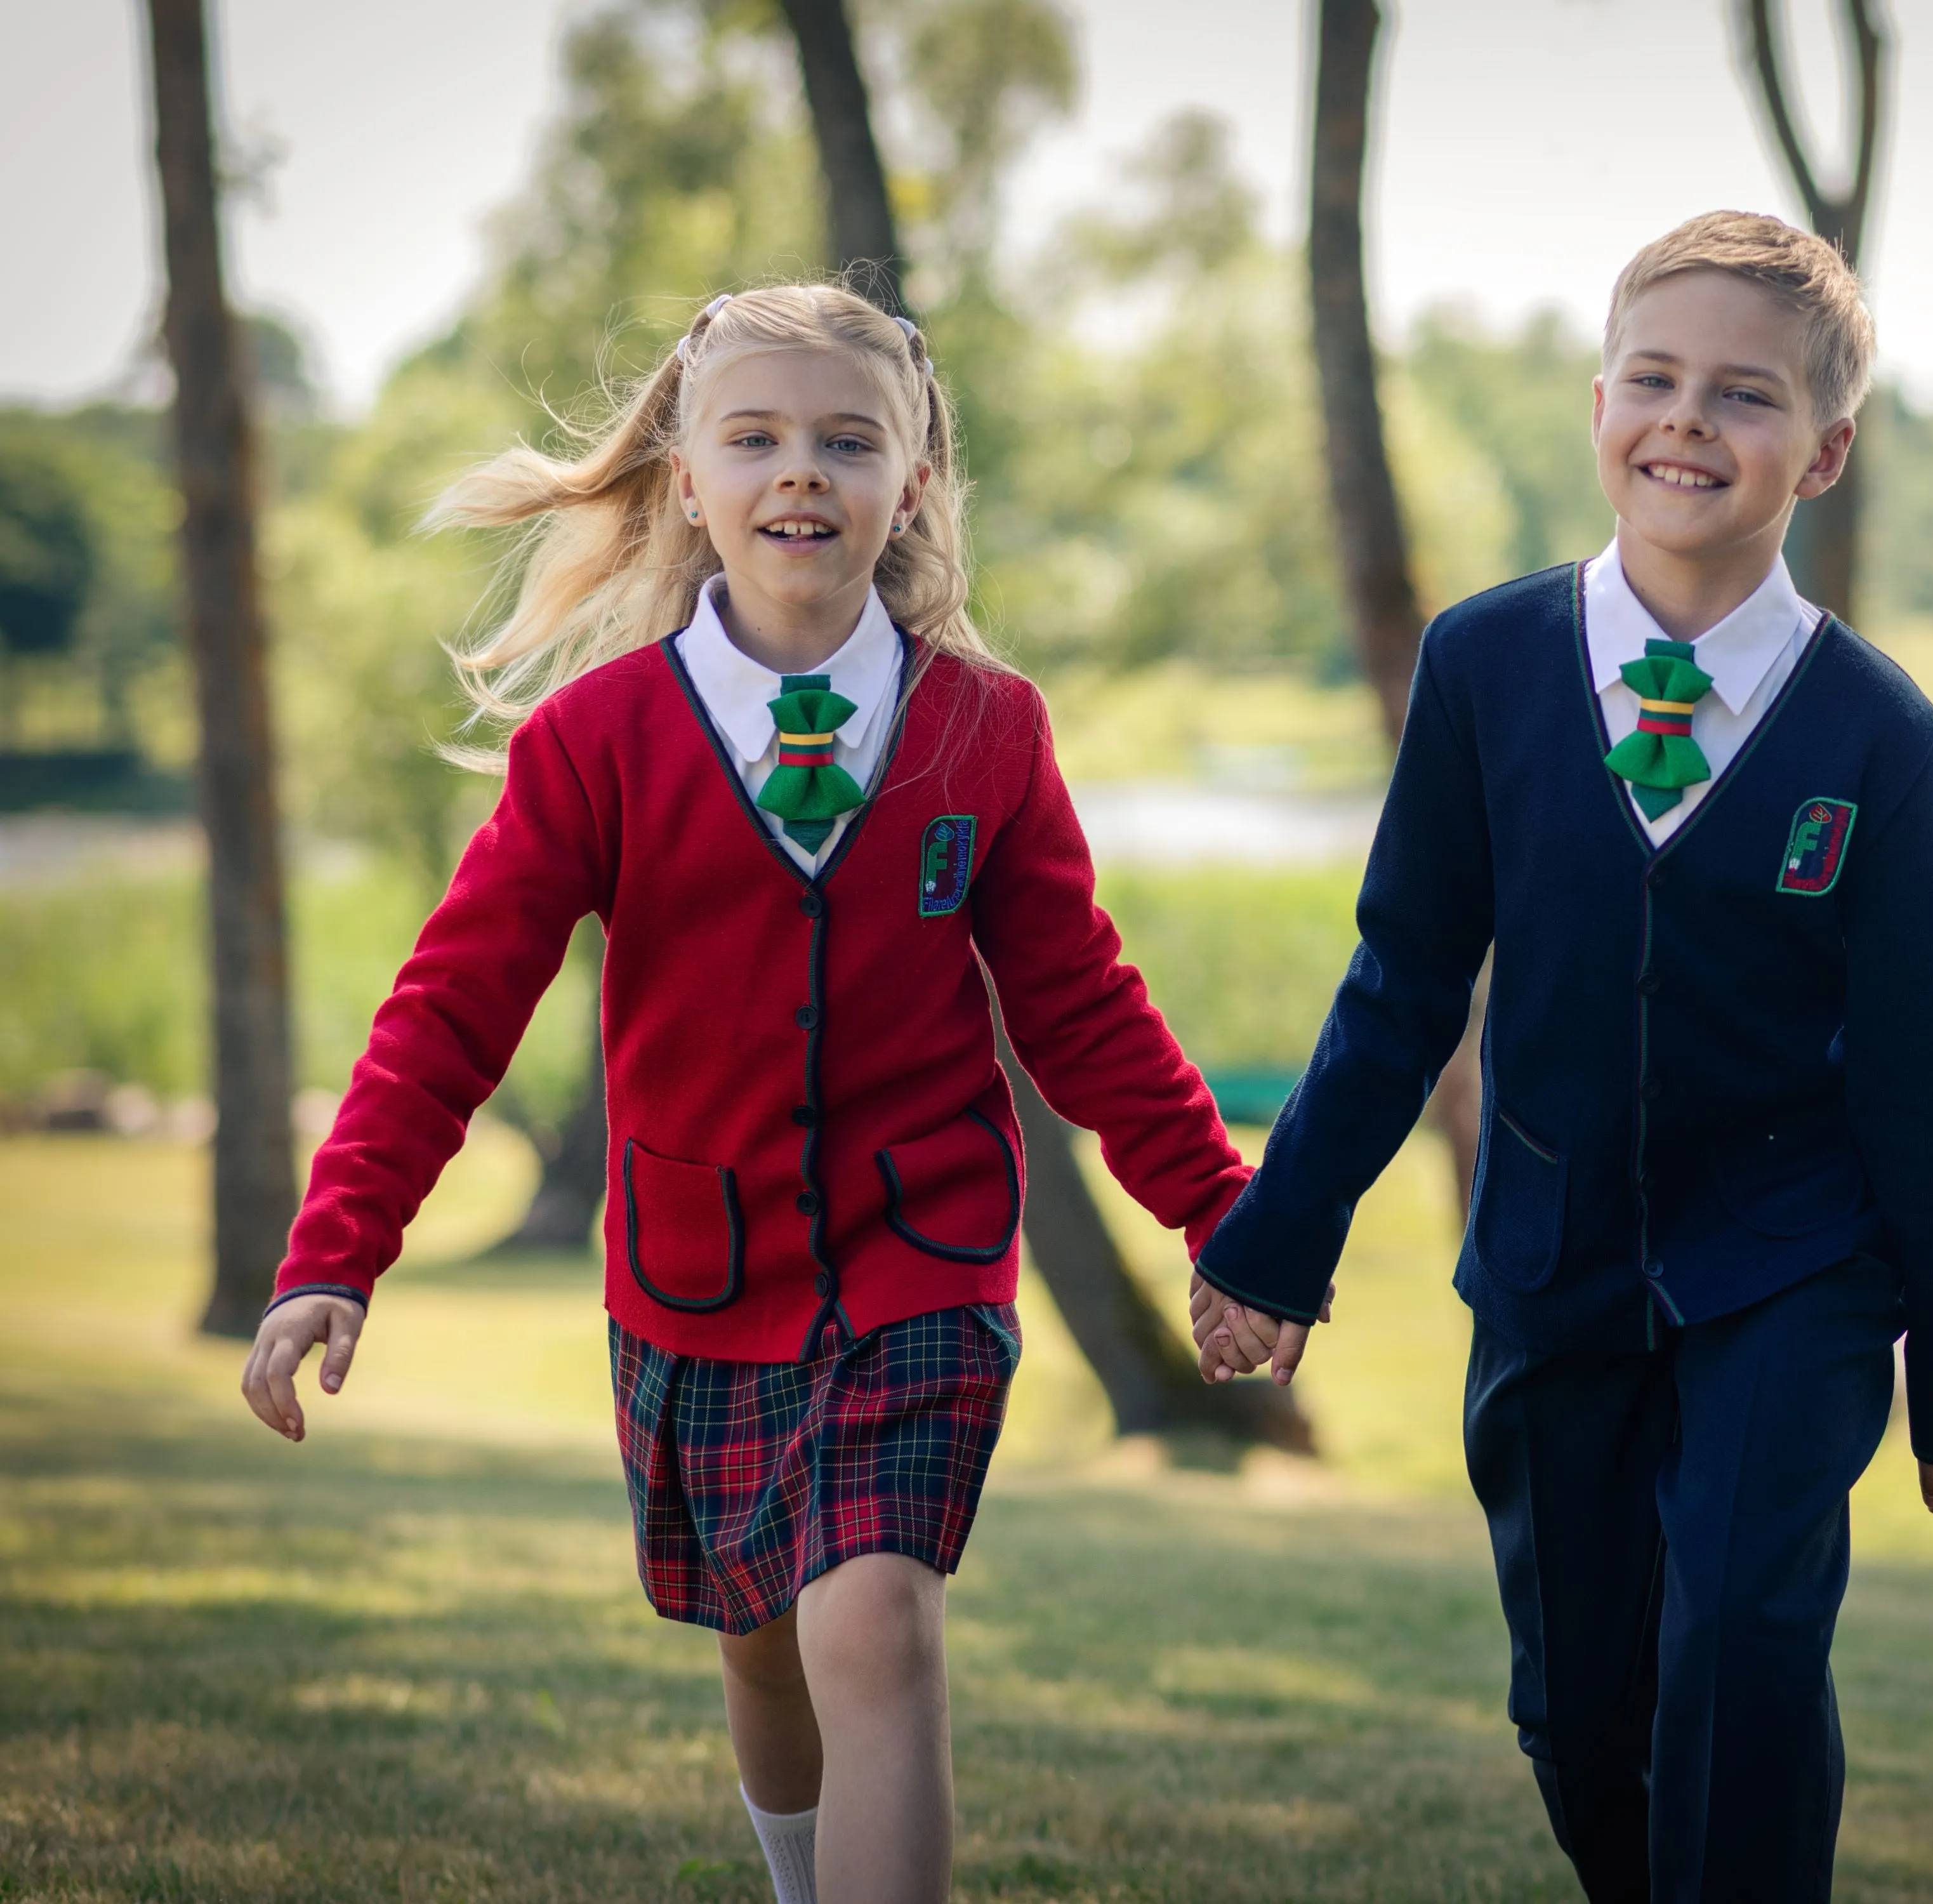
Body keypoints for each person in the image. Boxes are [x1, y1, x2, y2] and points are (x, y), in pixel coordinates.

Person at [238, 284, 1251, 1904]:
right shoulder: (595, 744)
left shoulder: (988, 732)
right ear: (688, 479)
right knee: (768, 1653)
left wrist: (1223, 1213)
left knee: (878, 1622)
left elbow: (1079, 1006)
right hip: (693, 1282)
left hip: (921, 1261)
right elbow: (450, 1015)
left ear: (910, 483)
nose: (803, 470)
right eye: (757, 438)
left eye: (849, 441)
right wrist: (332, 1251)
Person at [1189, 212, 1933, 1902]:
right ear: (1597, 407)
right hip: (1552, 1264)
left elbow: (1931, 1085)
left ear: (1827, 450)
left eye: (1746, 397)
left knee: (1742, 1653)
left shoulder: (1885, 739)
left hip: (1799, 1268)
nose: (1689, 424)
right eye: (1655, 380)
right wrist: (1279, 1237)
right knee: (1581, 1714)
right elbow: (1406, 982)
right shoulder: (1485, 666)